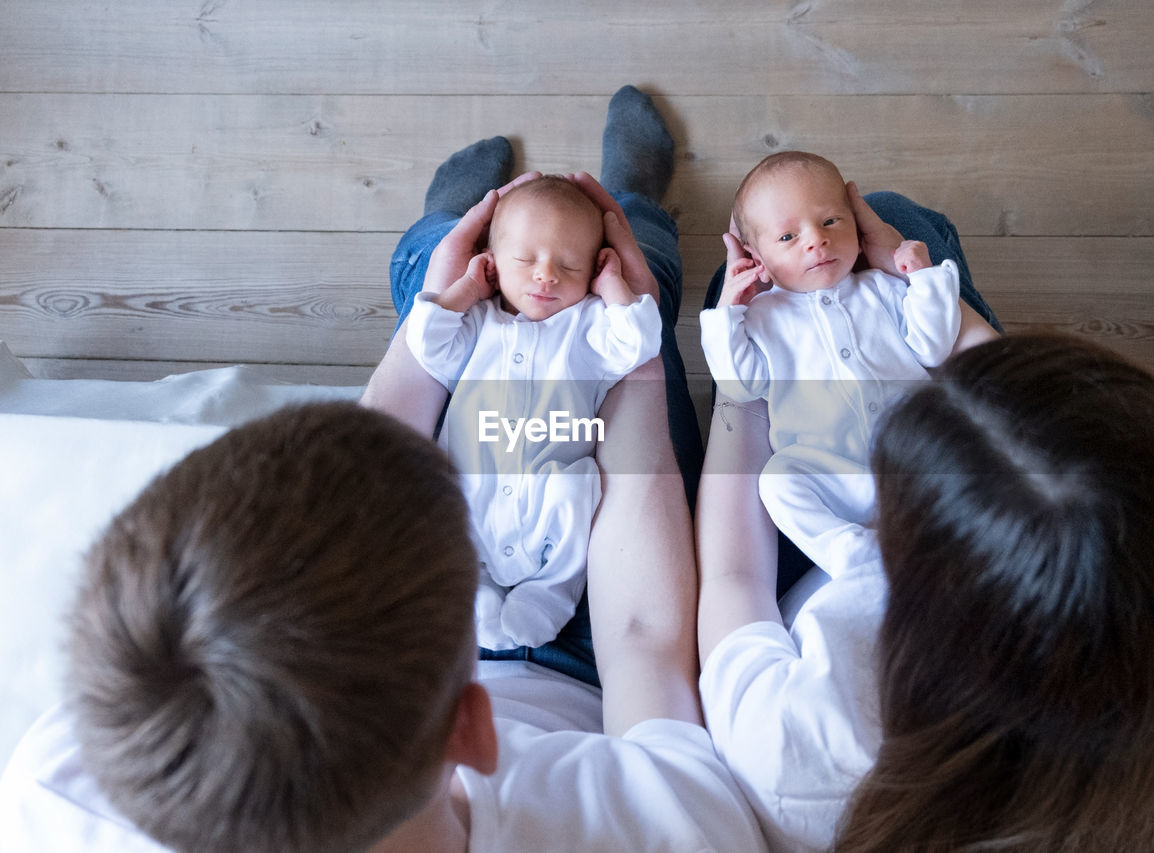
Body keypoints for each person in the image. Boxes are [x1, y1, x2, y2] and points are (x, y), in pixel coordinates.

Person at [0, 88, 767, 852]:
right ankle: (628, 214)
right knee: (637, 306)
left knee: (441, 301)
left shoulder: (57, 782)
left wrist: (428, 326)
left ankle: (445, 225)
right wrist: (632, 351)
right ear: (471, 726)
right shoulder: (671, 825)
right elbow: (638, 634)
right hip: (587, 661)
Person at [698, 330, 1154, 851]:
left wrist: (736, 386)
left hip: (781, 585)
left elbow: (733, 578)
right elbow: (1041, 465)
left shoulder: (803, 751)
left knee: (840, 245)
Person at [402, 174, 662, 650]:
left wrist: (614, 289)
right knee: (444, 517)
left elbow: (640, 343)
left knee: (574, 496)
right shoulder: (479, 321)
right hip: (471, 488)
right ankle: (471, 590)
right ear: (493, 265)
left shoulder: (588, 325)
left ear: (593, 269)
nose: (547, 275)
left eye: (568, 264)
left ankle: (549, 596)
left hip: (550, 496)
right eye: (526, 260)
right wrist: (462, 290)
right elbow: (426, 345)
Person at [700, 151, 962, 577]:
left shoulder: (881, 287)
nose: (815, 241)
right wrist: (726, 312)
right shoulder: (761, 317)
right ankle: (854, 557)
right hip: (832, 474)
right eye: (787, 237)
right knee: (777, 480)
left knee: (973, 443)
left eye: (830, 222)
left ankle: (957, 535)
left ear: (856, 226)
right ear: (756, 259)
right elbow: (739, 386)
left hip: (920, 456)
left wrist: (923, 279)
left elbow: (933, 348)